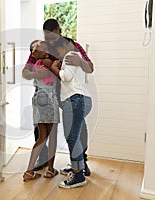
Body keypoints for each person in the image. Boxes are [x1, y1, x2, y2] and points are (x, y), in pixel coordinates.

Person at [42, 19, 93, 177]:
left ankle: (81, 165)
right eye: (47, 37)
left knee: (76, 134)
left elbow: (90, 67)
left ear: (59, 31)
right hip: (57, 96)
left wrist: (80, 61)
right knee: (56, 131)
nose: (50, 40)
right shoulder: (45, 47)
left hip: (73, 96)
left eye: (52, 36)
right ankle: (47, 161)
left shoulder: (71, 47)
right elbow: (33, 64)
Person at [48, 44, 92, 188]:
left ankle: (78, 175)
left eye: (57, 50)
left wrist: (54, 68)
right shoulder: (74, 57)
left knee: (72, 137)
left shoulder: (69, 56)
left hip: (75, 100)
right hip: (79, 100)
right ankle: (77, 168)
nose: (57, 53)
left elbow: (66, 77)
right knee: (75, 137)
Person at [22, 40, 60, 181]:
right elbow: (60, 74)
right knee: (53, 136)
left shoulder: (36, 65)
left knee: (41, 137)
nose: (46, 51)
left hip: (37, 99)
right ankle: (50, 170)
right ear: (35, 52)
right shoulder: (46, 62)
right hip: (49, 99)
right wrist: (57, 66)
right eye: (43, 49)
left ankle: (29, 171)